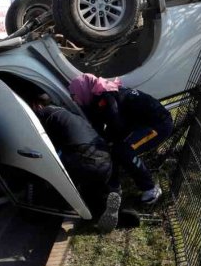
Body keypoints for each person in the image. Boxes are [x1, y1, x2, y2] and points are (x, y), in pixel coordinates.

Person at [69, 73, 173, 204]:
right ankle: (113, 189)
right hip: (140, 123)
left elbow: (116, 124)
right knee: (112, 147)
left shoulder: (105, 97)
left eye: (74, 96)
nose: (74, 100)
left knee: (124, 150)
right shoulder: (97, 96)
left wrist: (107, 141)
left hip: (158, 124)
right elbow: (101, 126)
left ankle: (151, 189)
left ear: (82, 90)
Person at [29, 94, 119, 232]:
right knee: (91, 189)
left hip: (83, 160)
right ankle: (103, 209)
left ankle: (44, 215)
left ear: (38, 105)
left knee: (54, 181)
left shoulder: (44, 113)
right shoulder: (68, 113)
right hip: (105, 160)